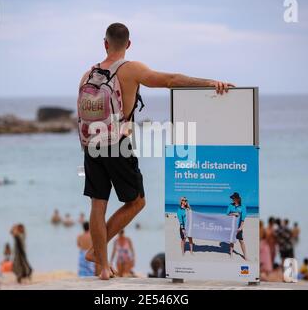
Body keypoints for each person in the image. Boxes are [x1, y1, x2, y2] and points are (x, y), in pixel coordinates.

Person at [79, 23, 234, 280]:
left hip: (91, 143)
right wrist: (209, 83)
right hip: (117, 144)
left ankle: (103, 266)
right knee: (137, 201)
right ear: (128, 44)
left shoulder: (88, 74)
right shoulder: (130, 69)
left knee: (98, 203)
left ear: (105, 43)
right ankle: (97, 251)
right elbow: (171, 80)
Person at [226, 192, 247, 260]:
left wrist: (241, 227)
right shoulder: (230, 205)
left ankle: (245, 256)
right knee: (231, 240)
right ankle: (231, 254)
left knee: (241, 241)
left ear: (237, 198)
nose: (232, 199)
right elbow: (227, 214)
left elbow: (243, 218)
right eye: (232, 198)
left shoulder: (243, 206)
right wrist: (233, 213)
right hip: (231, 226)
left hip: (238, 226)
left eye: (233, 198)